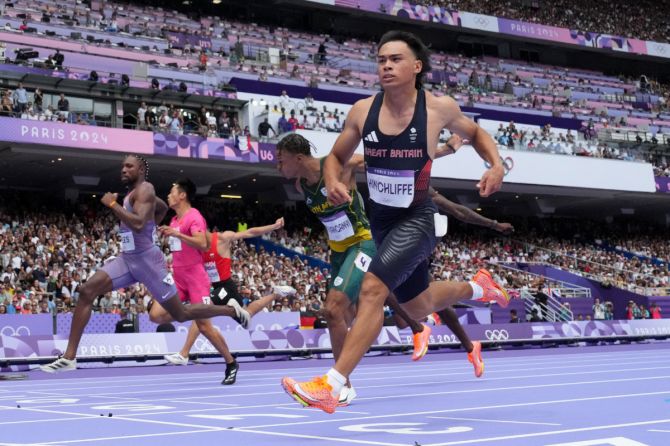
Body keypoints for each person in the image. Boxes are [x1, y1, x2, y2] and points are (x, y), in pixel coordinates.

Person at [281, 31, 507, 413]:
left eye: (396, 59)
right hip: (381, 219)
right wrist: (333, 180)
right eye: (381, 59)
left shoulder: (438, 109)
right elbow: (336, 157)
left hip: (417, 218)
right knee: (416, 307)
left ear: (416, 67)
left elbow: (476, 132)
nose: (386, 65)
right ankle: (476, 286)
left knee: (373, 289)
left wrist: (496, 164)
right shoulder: (362, 111)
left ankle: (332, 385)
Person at [40, 155, 250, 373]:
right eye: (122, 166)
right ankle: (69, 358)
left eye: (129, 166)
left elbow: (139, 224)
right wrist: (152, 226)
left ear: (140, 170)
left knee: (180, 314)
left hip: (148, 262)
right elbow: (160, 210)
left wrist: (112, 204)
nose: (123, 169)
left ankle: (231, 311)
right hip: (128, 259)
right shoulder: (134, 194)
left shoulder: (146, 189)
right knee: (86, 291)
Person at [160, 216, 296, 385]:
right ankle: (276, 294)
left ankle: (184, 353)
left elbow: (250, 232)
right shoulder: (196, 246)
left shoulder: (223, 238)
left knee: (201, 311)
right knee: (247, 316)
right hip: (209, 287)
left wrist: (274, 226)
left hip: (226, 287)